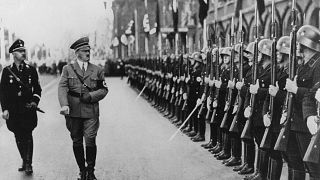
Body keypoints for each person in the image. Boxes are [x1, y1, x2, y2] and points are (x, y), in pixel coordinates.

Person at [58, 37, 109, 180]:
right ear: (77, 53)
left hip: (91, 110)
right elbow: (62, 88)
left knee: (90, 140)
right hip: (73, 111)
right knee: (76, 141)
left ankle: (91, 171)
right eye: (85, 51)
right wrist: (64, 105)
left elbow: (104, 90)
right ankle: (82, 170)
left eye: (89, 50)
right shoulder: (67, 69)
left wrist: (91, 96)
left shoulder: (97, 70)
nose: (88, 53)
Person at [0, 39, 42, 175]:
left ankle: (29, 163)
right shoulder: (7, 72)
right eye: (20, 51)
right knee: (18, 136)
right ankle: (24, 159)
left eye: (24, 50)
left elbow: (38, 89)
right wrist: (5, 109)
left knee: (28, 134)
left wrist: (35, 101)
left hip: (27, 109)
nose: (23, 53)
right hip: (13, 111)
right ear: (13, 53)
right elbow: (3, 93)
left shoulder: (31, 70)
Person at [284, 25, 320, 180]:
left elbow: (315, 95)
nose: (298, 48)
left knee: (312, 167)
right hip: (296, 119)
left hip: (307, 123)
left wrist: (295, 89)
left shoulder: (317, 65)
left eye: (300, 44)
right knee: (295, 160)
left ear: (307, 45)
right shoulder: (304, 65)